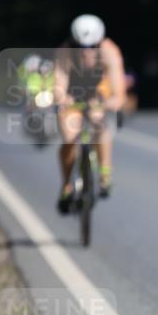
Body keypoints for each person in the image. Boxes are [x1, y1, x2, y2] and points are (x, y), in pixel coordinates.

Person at [54, 15, 125, 212]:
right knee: (69, 136)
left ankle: (104, 175)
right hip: (73, 96)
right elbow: (58, 84)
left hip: (98, 96)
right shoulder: (65, 52)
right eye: (80, 46)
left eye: (92, 47)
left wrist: (109, 104)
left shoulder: (110, 52)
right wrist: (62, 100)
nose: (86, 52)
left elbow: (118, 92)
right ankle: (67, 184)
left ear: (99, 43)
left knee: (100, 125)